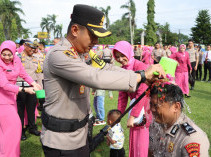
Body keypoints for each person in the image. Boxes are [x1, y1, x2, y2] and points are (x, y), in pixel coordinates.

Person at [40, 4, 165, 157]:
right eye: (92, 35)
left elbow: (106, 69)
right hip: (61, 141)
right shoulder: (59, 55)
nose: (96, 41)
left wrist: (140, 74)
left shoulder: (82, 54)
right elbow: (95, 78)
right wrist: (142, 76)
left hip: (80, 135)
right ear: (75, 30)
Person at [0, 40, 40, 157]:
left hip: (11, 100)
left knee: (5, 131)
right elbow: (4, 85)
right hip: (2, 101)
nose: (6, 57)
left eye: (9, 54)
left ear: (14, 52)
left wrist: (33, 83)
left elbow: (23, 74)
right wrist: (24, 89)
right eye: (4, 54)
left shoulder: (17, 60)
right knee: (15, 127)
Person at [112, 41, 152, 157]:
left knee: (141, 140)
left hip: (144, 109)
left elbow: (142, 94)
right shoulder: (122, 70)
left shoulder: (140, 66)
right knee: (134, 138)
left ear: (129, 52)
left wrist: (133, 116)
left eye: (122, 55)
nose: (120, 59)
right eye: (117, 57)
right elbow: (122, 95)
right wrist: (119, 114)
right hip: (135, 108)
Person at [148, 82, 210, 156]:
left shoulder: (191, 139)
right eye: (150, 104)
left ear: (176, 107)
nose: (152, 109)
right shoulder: (155, 125)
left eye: (156, 105)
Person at [16, 41, 41, 140]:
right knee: (20, 110)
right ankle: (21, 131)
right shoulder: (17, 57)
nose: (33, 49)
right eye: (31, 47)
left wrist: (39, 85)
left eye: (35, 48)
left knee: (31, 109)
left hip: (33, 86)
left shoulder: (35, 57)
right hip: (21, 87)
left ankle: (32, 127)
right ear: (25, 46)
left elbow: (37, 72)